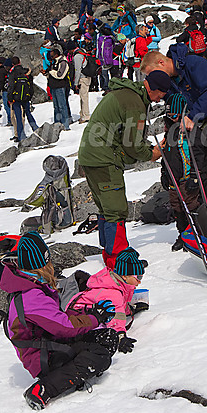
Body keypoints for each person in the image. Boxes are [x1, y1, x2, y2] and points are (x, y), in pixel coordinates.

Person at [0, 232, 117, 411]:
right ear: (41, 264)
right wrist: (96, 318)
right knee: (100, 356)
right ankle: (45, 388)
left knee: (107, 337)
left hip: (50, 343)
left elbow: (56, 318)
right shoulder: (31, 295)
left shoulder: (30, 283)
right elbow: (65, 328)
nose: (51, 265)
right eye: (48, 261)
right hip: (41, 357)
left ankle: (70, 372)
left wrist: (89, 312)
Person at [78, 71, 167, 268]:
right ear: (151, 88)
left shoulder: (126, 93)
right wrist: (153, 154)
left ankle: (110, 254)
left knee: (106, 208)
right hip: (104, 158)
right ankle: (119, 261)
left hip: (89, 155)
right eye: (161, 93)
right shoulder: (134, 103)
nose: (162, 97)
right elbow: (132, 144)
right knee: (116, 210)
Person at [141, 45, 207, 201]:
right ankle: (206, 211)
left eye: (152, 73)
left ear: (161, 62)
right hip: (202, 121)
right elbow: (172, 111)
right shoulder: (168, 83)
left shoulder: (193, 63)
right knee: (203, 167)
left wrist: (193, 115)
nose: (153, 78)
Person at [68, 247, 146, 344]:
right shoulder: (113, 292)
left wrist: (130, 310)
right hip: (79, 319)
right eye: (138, 277)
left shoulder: (117, 283)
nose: (139, 281)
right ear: (125, 276)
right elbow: (116, 315)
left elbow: (120, 305)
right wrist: (120, 336)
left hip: (86, 315)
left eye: (141, 276)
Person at [160, 93, 202, 250]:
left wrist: (194, 176)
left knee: (191, 205)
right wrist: (164, 173)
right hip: (173, 177)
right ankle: (183, 234)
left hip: (187, 176)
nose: (172, 118)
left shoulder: (189, 130)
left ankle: (196, 234)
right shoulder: (169, 130)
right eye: (169, 115)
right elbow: (166, 155)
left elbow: (197, 155)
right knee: (176, 206)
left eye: (175, 115)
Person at [8, 56, 39, 142]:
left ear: (12, 64)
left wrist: (10, 98)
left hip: (16, 98)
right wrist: (30, 96)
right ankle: (36, 129)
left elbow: (11, 87)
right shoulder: (26, 71)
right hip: (26, 97)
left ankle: (21, 135)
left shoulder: (12, 73)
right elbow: (31, 86)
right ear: (20, 62)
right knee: (28, 113)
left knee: (18, 116)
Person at [47, 49, 72, 131]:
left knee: (62, 106)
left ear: (56, 54)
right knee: (56, 107)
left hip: (60, 87)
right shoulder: (54, 62)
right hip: (53, 86)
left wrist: (51, 72)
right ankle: (57, 123)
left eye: (52, 55)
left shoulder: (63, 62)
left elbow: (60, 75)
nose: (51, 57)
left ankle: (65, 125)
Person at [72, 48, 92, 123]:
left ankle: (86, 116)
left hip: (83, 78)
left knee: (84, 98)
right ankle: (82, 114)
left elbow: (77, 70)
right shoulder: (83, 54)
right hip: (87, 78)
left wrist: (76, 83)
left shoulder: (77, 57)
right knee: (83, 96)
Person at [0, 57, 13, 126]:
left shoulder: (2, 70)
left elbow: (1, 81)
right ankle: (13, 120)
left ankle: (10, 120)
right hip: (12, 89)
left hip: (5, 90)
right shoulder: (11, 69)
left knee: (7, 106)